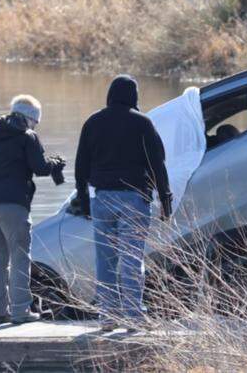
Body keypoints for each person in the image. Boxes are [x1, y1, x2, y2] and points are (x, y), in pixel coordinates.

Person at [73, 75, 173, 332]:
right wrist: (165, 200)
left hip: (102, 199)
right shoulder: (142, 123)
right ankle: (133, 316)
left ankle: (107, 316)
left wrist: (84, 200)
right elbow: (157, 164)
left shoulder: (92, 123)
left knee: (105, 260)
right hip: (134, 199)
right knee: (131, 259)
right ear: (134, 96)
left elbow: (80, 167)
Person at [0, 95, 66, 325]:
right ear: (30, 119)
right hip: (13, 206)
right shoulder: (27, 138)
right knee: (20, 257)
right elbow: (40, 168)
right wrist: (54, 164)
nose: (35, 126)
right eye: (35, 122)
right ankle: (20, 311)